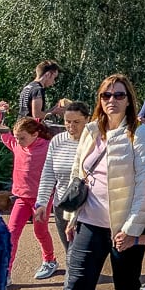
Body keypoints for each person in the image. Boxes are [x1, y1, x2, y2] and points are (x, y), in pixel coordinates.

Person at [53, 74, 145, 290]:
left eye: (119, 95)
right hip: (89, 222)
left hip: (124, 227)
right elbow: (77, 176)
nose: (112, 100)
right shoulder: (91, 131)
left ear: (128, 101)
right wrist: (72, 218)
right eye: (106, 95)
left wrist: (132, 228)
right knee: (75, 289)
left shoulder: (141, 134)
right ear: (100, 100)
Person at [0, 111, 57, 286]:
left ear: (35, 134)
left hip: (41, 199)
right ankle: (5, 273)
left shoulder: (47, 147)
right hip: (21, 198)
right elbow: (2, 133)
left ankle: (50, 260)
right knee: (11, 234)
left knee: (40, 231)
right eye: (16, 137)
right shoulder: (16, 144)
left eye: (22, 138)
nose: (18, 141)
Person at [34, 101, 91, 252]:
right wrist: (41, 203)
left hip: (87, 207)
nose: (71, 125)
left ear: (87, 120)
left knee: (82, 254)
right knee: (69, 250)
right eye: (68, 121)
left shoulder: (95, 141)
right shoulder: (57, 141)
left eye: (77, 122)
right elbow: (48, 174)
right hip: (62, 203)